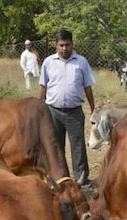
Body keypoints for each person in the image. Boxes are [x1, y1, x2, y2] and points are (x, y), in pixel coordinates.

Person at [38, 29, 96, 190]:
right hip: (52, 112)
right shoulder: (48, 62)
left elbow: (88, 87)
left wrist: (93, 109)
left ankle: (82, 180)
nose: (64, 48)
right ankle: (59, 179)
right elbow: (43, 86)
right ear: (56, 46)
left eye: (67, 45)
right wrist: (39, 107)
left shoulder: (81, 62)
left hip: (74, 112)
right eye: (61, 45)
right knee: (56, 146)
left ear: (72, 44)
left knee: (78, 146)